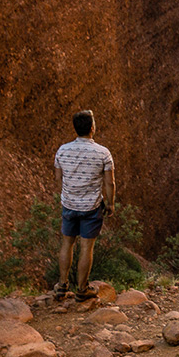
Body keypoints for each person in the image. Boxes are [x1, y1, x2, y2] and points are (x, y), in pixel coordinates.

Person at [53, 109, 116, 301]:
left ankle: (62, 285)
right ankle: (82, 289)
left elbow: (58, 178)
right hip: (91, 207)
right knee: (86, 248)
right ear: (92, 128)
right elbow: (109, 182)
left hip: (69, 204)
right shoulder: (103, 153)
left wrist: (65, 196)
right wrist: (111, 203)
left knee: (67, 244)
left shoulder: (62, 150)